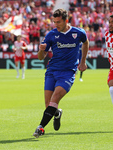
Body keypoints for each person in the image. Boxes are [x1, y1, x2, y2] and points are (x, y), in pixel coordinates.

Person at [33, 8, 89, 138]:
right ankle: (57, 113)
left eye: (58, 22)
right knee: (49, 105)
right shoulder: (51, 34)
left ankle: (40, 127)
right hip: (52, 71)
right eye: (54, 22)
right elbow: (41, 57)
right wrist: (41, 50)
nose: (56, 24)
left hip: (68, 73)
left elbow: (85, 42)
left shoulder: (78, 32)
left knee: (55, 98)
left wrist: (83, 61)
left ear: (66, 20)